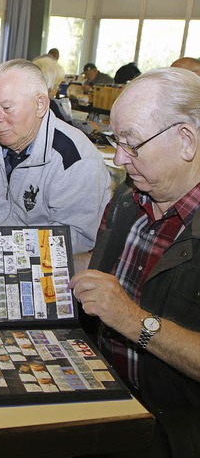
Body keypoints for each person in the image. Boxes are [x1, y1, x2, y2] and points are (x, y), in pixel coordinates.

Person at [69, 67, 200, 457]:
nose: (119, 157)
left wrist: (131, 319)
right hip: (104, 389)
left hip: (172, 428)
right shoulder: (131, 197)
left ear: (186, 141)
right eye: (116, 140)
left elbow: (122, 310)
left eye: (132, 143)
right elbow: (98, 266)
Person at [0, 59, 111, 254]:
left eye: (7, 108)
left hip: (34, 266)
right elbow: (1, 179)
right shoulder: (6, 139)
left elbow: (76, 240)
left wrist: (10, 246)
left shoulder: (74, 161)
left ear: (40, 104)